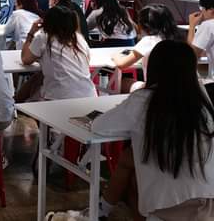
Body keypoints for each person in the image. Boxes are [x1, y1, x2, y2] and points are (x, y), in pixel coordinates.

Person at [91, 41, 214, 220]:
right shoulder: (201, 98)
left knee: (134, 176)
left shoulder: (144, 100)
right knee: (130, 157)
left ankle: (102, 210)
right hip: (208, 199)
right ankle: (104, 208)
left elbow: (99, 126)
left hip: (171, 206)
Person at [18, 5, 95, 101]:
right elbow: (87, 60)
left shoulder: (44, 38)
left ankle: (15, 102)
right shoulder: (79, 39)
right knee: (39, 77)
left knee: (32, 92)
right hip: (89, 95)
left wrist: (31, 33)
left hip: (57, 98)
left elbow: (25, 59)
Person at [112, 4, 180, 92]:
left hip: (153, 91)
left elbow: (122, 65)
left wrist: (115, 56)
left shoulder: (148, 41)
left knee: (122, 83)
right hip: (178, 89)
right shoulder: (179, 40)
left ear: (144, 25)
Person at [189, 0, 214, 84]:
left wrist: (192, 26)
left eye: (201, 8)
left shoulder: (208, 25)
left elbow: (192, 54)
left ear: (211, 9)